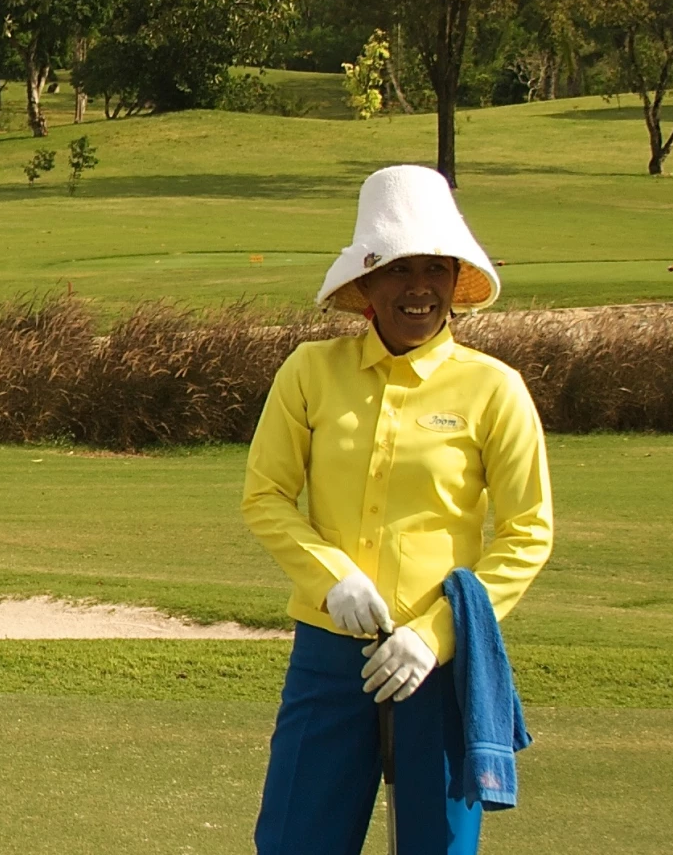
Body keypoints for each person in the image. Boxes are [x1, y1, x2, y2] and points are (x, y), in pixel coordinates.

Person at [243, 164, 553, 855]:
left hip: (440, 661)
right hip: (329, 651)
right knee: (296, 838)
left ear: (455, 282)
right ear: (367, 286)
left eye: (437, 268)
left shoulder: (493, 388)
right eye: (400, 269)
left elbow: (529, 532)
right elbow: (265, 496)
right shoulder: (310, 371)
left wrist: (435, 635)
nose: (420, 287)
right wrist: (333, 578)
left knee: (438, 846)